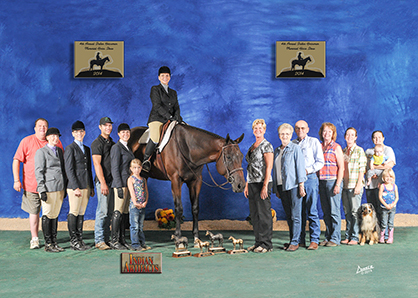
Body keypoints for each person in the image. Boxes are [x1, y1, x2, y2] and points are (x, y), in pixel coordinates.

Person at [12, 118, 63, 249]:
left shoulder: (55, 142)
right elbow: (17, 160)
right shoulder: (26, 141)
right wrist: (16, 180)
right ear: (35, 128)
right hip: (32, 185)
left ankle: (51, 240)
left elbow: (62, 163)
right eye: (39, 126)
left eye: (45, 126)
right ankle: (34, 238)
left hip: (51, 187)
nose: (42, 128)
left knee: (50, 213)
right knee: (34, 212)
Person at [273, 123, 306, 252]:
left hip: (294, 186)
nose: (284, 136)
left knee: (295, 215)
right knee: (288, 215)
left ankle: (295, 241)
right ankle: (293, 239)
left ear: (291, 135)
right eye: (282, 134)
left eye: (287, 134)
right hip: (282, 187)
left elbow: (300, 167)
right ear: (279, 135)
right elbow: (275, 170)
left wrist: (301, 186)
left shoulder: (295, 148)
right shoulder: (277, 150)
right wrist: (276, 188)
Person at [142, 66, 183, 172]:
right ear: (159, 77)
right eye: (163, 76)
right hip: (157, 119)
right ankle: (146, 160)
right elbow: (157, 106)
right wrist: (170, 117)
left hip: (171, 119)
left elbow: (176, 107)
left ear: (170, 77)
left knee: (184, 130)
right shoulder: (155, 89)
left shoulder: (173, 92)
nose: (165, 77)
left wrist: (177, 116)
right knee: (155, 137)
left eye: (167, 76)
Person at [34, 128, 67, 252]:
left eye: (57, 136)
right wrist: (42, 190)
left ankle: (54, 242)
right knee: (47, 215)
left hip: (59, 187)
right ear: (47, 137)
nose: (55, 138)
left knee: (55, 215)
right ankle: (48, 244)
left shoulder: (59, 150)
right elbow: (39, 172)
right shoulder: (41, 152)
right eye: (52, 136)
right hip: (48, 188)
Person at [293, 120, 324, 250]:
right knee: (298, 212)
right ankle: (300, 240)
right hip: (295, 180)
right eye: (298, 128)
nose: (300, 130)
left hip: (310, 178)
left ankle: (314, 240)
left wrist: (307, 170)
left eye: (303, 128)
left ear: (307, 129)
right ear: (295, 130)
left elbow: (320, 162)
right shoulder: (292, 144)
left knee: (312, 210)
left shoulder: (314, 142)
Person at [244, 119, 274, 253]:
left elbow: (269, 167)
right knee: (255, 215)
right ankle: (258, 242)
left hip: (263, 182)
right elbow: (249, 167)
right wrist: (246, 185)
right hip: (252, 183)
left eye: (260, 128)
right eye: (255, 128)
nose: (258, 130)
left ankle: (266, 244)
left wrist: (265, 186)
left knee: (264, 214)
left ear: (264, 130)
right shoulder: (252, 146)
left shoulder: (267, 145)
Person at [64, 121, 94, 251]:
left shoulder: (86, 149)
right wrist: (75, 186)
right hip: (75, 186)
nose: (79, 134)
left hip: (85, 185)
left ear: (84, 132)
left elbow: (89, 169)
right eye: (76, 132)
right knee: (74, 212)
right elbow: (69, 169)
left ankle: (80, 239)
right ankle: (74, 241)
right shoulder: (70, 148)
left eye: (81, 131)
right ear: (72, 134)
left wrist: (91, 186)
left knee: (81, 213)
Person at [318, 123, 344, 247]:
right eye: (324, 131)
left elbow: (341, 167)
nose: (326, 134)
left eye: (329, 131)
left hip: (333, 181)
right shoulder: (319, 147)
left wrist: (338, 184)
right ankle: (328, 237)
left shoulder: (336, 147)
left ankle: (335, 238)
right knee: (326, 211)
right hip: (321, 181)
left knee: (334, 211)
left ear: (333, 133)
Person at [110, 123, 135, 250]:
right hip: (120, 184)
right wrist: (119, 186)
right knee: (118, 212)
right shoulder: (116, 147)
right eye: (123, 132)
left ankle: (122, 240)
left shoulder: (128, 148)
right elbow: (114, 168)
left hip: (128, 184)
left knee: (124, 213)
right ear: (119, 134)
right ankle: (114, 241)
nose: (126, 134)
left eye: (127, 132)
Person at [92, 117, 115, 250]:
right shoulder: (97, 143)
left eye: (109, 125)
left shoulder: (112, 143)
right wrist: (103, 183)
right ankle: (99, 240)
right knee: (103, 211)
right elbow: (97, 164)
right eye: (105, 125)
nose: (108, 127)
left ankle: (106, 238)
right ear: (100, 127)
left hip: (112, 182)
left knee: (110, 212)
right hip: (103, 182)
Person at [341, 127, 367, 245]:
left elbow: (362, 169)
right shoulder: (343, 151)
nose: (349, 137)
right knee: (347, 213)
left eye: (352, 135)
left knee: (355, 212)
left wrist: (358, 185)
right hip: (345, 186)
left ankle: (355, 237)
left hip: (354, 185)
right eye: (347, 134)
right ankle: (347, 235)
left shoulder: (359, 151)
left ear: (356, 137)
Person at [365, 131, 396, 227]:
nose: (377, 139)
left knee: (382, 210)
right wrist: (370, 171)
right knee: (372, 209)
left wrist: (374, 167)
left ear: (383, 138)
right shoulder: (368, 151)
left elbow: (390, 165)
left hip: (384, 185)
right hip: (371, 185)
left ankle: (384, 232)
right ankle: (374, 232)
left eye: (379, 137)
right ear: (372, 139)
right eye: (375, 137)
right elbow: (365, 167)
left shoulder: (388, 150)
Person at [127, 159, 151, 251]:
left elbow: (146, 192)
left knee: (140, 226)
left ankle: (142, 243)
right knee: (134, 226)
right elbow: (132, 192)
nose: (136, 170)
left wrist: (145, 202)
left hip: (142, 205)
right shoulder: (131, 179)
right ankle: (135, 244)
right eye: (134, 168)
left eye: (138, 167)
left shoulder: (143, 179)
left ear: (141, 168)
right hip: (134, 206)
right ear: (131, 169)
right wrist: (135, 202)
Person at [378, 169, 399, 244]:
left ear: (393, 178)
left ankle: (390, 237)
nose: (388, 178)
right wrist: (386, 205)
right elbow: (380, 197)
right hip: (384, 208)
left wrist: (392, 205)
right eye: (387, 176)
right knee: (384, 222)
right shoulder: (382, 186)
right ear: (383, 177)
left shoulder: (394, 186)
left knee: (390, 223)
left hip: (392, 208)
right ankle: (382, 237)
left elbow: (397, 197)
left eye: (390, 176)